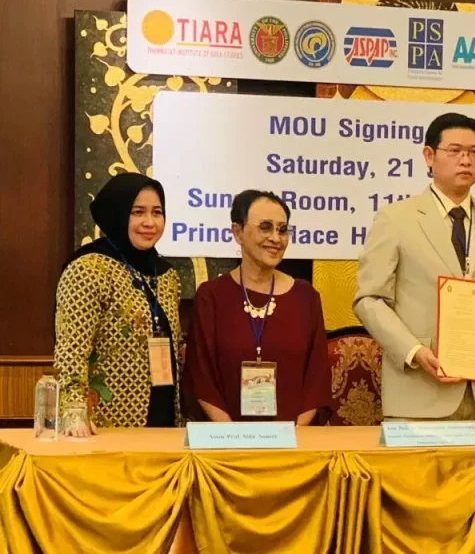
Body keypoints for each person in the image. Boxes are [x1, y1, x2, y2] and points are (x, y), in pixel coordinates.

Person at [354, 113, 475, 420]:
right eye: (455, 151)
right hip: (420, 392)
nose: (466, 160)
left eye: (474, 152)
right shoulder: (396, 219)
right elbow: (369, 299)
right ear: (429, 156)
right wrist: (414, 352)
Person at [185, 190, 332, 424]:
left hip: (295, 439)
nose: (276, 238)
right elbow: (201, 378)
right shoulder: (211, 296)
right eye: (265, 227)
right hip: (226, 438)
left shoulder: (306, 297)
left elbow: (317, 380)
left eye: (282, 230)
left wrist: (294, 434)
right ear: (238, 232)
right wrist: (233, 435)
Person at [54, 173, 182, 435]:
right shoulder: (89, 269)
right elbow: (71, 349)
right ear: (118, 213)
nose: (149, 222)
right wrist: (74, 410)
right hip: (104, 424)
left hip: (164, 417)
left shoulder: (166, 275)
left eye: (157, 212)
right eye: (138, 212)